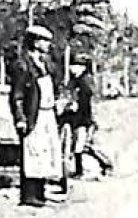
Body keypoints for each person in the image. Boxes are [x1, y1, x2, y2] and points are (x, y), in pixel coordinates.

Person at [10, 25, 66, 207]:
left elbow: (54, 86)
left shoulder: (46, 64)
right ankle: (29, 194)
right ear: (34, 42)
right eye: (43, 41)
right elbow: (17, 95)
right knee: (32, 151)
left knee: (46, 152)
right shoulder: (23, 64)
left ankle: (40, 191)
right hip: (34, 114)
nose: (47, 45)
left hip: (48, 113)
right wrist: (20, 118)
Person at [62, 60, 115, 178]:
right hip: (77, 117)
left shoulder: (85, 81)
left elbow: (89, 100)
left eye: (75, 65)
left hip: (84, 118)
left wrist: (78, 107)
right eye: (71, 65)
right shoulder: (75, 81)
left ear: (82, 67)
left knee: (80, 146)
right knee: (81, 145)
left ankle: (93, 168)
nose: (72, 68)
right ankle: (99, 166)